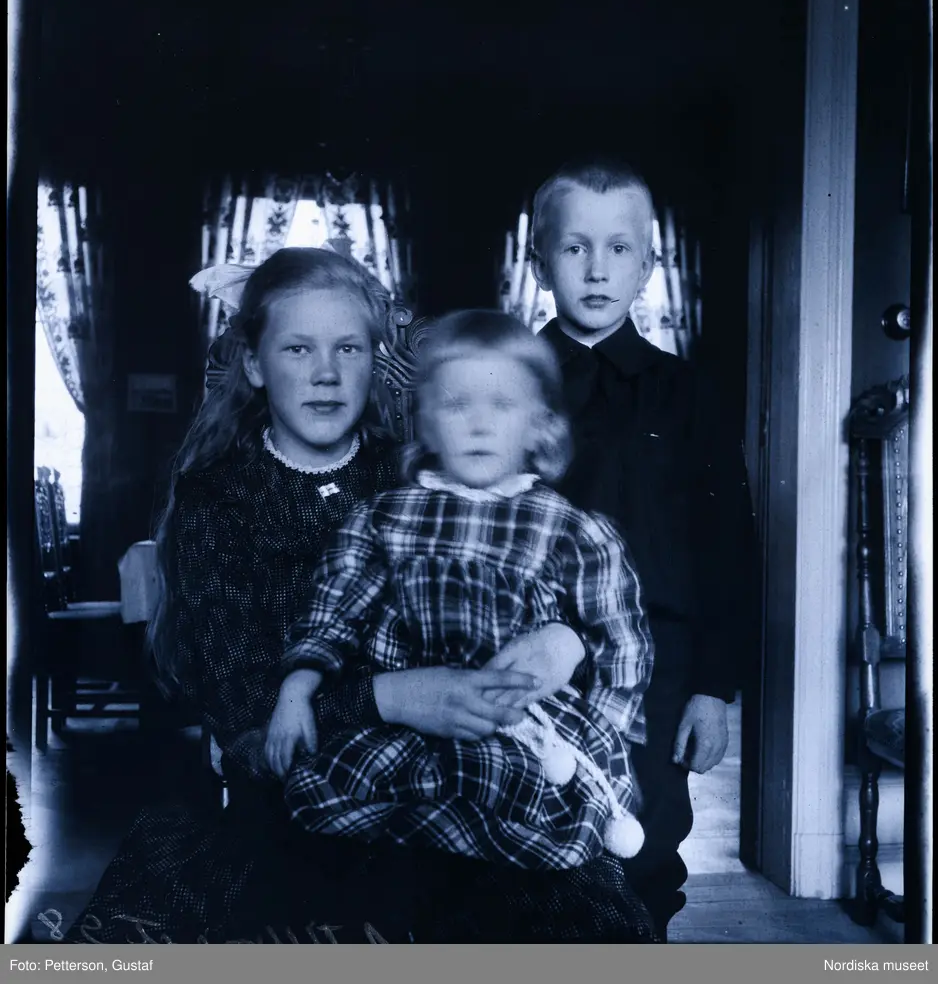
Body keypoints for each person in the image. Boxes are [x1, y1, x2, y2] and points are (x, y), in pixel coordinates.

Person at [63, 247, 658, 944]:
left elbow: (524, 588)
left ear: (374, 360)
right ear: (254, 364)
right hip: (303, 806)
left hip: (470, 776)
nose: (326, 372)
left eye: (348, 348)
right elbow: (249, 718)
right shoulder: (216, 501)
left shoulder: (417, 477)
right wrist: (396, 697)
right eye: (298, 348)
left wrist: (563, 642)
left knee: (581, 913)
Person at [266, 310, 653, 873]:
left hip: (523, 735)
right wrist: (297, 687)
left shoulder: (570, 530)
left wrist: (602, 735)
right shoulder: (385, 518)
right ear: (425, 422)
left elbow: (621, 641)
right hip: (411, 726)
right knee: (341, 815)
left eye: (501, 406)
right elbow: (334, 611)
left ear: (539, 425)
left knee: (524, 836)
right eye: (456, 405)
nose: (478, 425)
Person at [530, 157, 755, 940]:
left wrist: (713, 690)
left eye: (619, 249)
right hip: (525, 663)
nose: (597, 270)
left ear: (650, 265)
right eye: (575, 248)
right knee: (524, 854)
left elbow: (726, 546)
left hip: (658, 670)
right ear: (538, 260)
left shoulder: (685, 392)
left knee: (644, 854)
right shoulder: (505, 385)